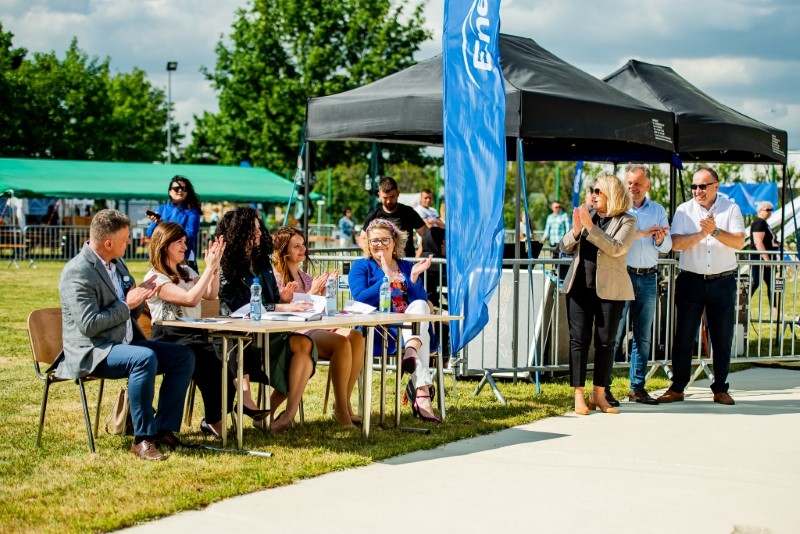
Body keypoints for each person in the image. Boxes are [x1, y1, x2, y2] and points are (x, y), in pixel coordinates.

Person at [55, 209, 194, 460]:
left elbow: (129, 309)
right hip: (95, 350)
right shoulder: (77, 272)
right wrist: (127, 304)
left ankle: (163, 429)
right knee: (142, 358)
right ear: (108, 243)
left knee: (183, 356)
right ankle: (143, 438)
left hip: (127, 343)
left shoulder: (117, 263)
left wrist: (140, 298)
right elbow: (89, 325)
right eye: (125, 237)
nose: (130, 241)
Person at [144, 222, 265, 438]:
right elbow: (189, 299)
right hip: (169, 336)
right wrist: (209, 268)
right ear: (164, 245)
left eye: (184, 242)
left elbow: (210, 293)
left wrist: (215, 266)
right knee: (212, 363)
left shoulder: (186, 271)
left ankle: (215, 418)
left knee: (227, 359)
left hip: (194, 333)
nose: (184, 246)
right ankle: (214, 420)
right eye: (179, 242)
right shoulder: (155, 278)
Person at [216, 207, 318, 432]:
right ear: (238, 232)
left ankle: (287, 415)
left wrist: (283, 298)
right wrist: (282, 305)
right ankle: (249, 403)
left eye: (258, 228)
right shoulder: (226, 265)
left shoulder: (261, 262)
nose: (259, 233)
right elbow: (240, 306)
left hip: (270, 332)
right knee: (299, 345)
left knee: (305, 344)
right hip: (241, 337)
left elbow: (270, 300)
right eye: (253, 229)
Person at [658, 167, 745, 406]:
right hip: (691, 280)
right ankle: (677, 387)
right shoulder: (684, 210)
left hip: (722, 281)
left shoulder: (731, 209)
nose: (698, 191)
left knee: (722, 337)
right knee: (684, 335)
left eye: (703, 186)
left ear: (716, 186)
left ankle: (720, 388)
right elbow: (675, 243)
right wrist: (701, 233)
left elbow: (739, 241)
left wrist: (714, 231)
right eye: (694, 186)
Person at [271, 227, 365, 428]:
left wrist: (324, 295)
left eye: (303, 244)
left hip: (314, 325)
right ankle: (341, 411)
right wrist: (312, 293)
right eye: (296, 246)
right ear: (283, 250)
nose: (303, 249)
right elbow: (282, 310)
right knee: (340, 343)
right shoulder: (276, 277)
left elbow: (316, 310)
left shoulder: (305, 276)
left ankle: (344, 403)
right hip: (295, 332)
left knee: (355, 336)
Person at [559, 173, 636, 415]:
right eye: (592, 190)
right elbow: (564, 246)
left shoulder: (627, 220)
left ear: (611, 193)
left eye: (597, 191)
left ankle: (599, 394)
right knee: (578, 340)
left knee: (605, 342)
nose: (593, 195)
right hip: (579, 287)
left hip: (610, 290)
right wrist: (576, 231)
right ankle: (578, 395)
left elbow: (616, 248)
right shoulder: (587, 216)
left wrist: (590, 229)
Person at [349, 218, 440, 422]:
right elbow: (360, 298)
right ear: (368, 244)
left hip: (409, 328)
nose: (379, 244)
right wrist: (386, 279)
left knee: (421, 306)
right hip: (380, 331)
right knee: (420, 335)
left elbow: (421, 304)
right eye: (374, 241)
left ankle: (411, 352)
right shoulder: (361, 266)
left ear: (394, 241)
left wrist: (414, 278)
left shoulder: (407, 266)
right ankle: (422, 393)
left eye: (385, 239)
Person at [608, 164, 671, 406]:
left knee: (643, 338)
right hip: (622, 275)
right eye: (629, 183)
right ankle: (604, 388)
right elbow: (611, 240)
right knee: (614, 335)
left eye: (637, 183)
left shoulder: (658, 210)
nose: (632, 187)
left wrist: (660, 239)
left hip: (648, 278)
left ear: (648, 186)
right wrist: (642, 233)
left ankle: (637, 388)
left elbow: (668, 247)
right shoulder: (617, 209)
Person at [146, 175, 202, 272]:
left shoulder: (192, 211)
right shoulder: (161, 209)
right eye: (176, 188)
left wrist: (162, 224)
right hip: (161, 256)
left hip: (184, 258)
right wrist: (155, 223)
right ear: (170, 191)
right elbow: (150, 233)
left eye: (184, 188)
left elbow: (190, 236)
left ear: (187, 192)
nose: (180, 190)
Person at [361, 177, 426, 258]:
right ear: (379, 195)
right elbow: (362, 238)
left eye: (392, 197)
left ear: (398, 193)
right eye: (385, 198)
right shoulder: (374, 215)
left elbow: (425, 235)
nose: (389, 201)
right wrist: (374, 255)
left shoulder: (409, 212)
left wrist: (417, 256)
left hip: (406, 261)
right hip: (381, 262)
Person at [749, 201, 780, 313]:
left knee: (771, 284)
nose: (770, 212)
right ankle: (740, 305)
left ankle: (775, 309)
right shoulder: (759, 223)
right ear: (760, 211)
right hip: (759, 259)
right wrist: (766, 258)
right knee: (755, 282)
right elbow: (758, 242)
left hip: (766, 259)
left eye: (771, 210)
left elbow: (768, 241)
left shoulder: (764, 224)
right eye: (767, 210)